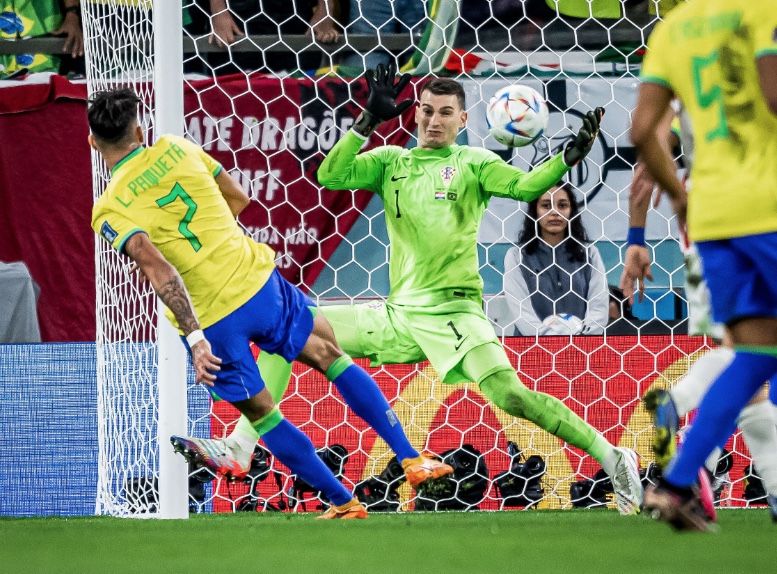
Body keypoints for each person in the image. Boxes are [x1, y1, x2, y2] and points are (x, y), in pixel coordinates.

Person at [221, 64, 643, 515]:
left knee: (512, 397)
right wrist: (366, 120)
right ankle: (242, 444)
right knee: (289, 328)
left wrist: (566, 158)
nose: (433, 120)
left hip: (454, 313)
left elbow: (525, 187)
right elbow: (331, 175)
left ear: (463, 120)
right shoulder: (390, 162)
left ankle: (614, 457)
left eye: (445, 113)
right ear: (416, 114)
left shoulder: (473, 163)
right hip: (396, 313)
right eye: (426, 111)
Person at [87, 87, 453, 520]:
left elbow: (159, 268)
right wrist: (213, 241)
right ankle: (412, 458)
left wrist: (196, 337)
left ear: (93, 142)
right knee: (329, 355)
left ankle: (344, 502)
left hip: (214, 319)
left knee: (262, 416)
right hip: (258, 282)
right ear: (139, 128)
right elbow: (238, 198)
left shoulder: (108, 208)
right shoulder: (177, 147)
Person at [630, 0, 777, 531]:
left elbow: (643, 128)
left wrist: (680, 197)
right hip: (769, 202)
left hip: (712, 213)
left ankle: (674, 485)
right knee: (752, 356)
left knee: (757, 354)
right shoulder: (762, 11)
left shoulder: (674, 29)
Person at [503, 182, 609, 336]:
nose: (554, 212)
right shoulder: (516, 256)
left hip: (581, 348)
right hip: (532, 350)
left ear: (571, 211)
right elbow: (522, 313)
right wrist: (551, 341)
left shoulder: (589, 254)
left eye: (562, 205)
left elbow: (599, 309)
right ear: (535, 212)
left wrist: (580, 341)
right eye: (546, 206)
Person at [206, 0, 339, 75]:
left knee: (296, 92)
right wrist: (218, 10)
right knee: (237, 91)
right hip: (240, 15)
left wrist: (326, 8)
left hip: (295, 15)